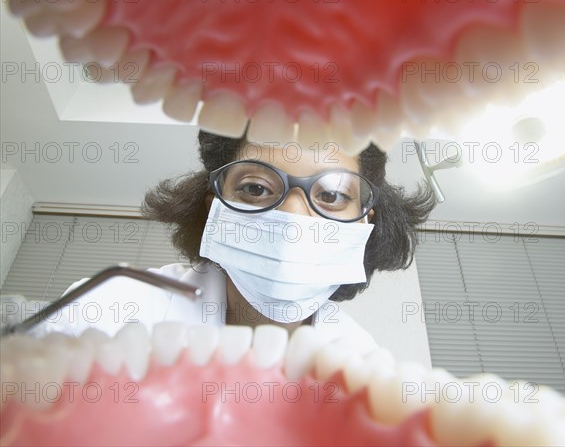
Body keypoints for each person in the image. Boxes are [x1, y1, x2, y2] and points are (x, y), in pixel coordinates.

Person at [58, 128, 435, 354]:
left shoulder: (366, 371)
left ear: (363, 223)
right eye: (256, 187)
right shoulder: (108, 309)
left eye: (332, 195)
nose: (292, 219)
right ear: (214, 210)